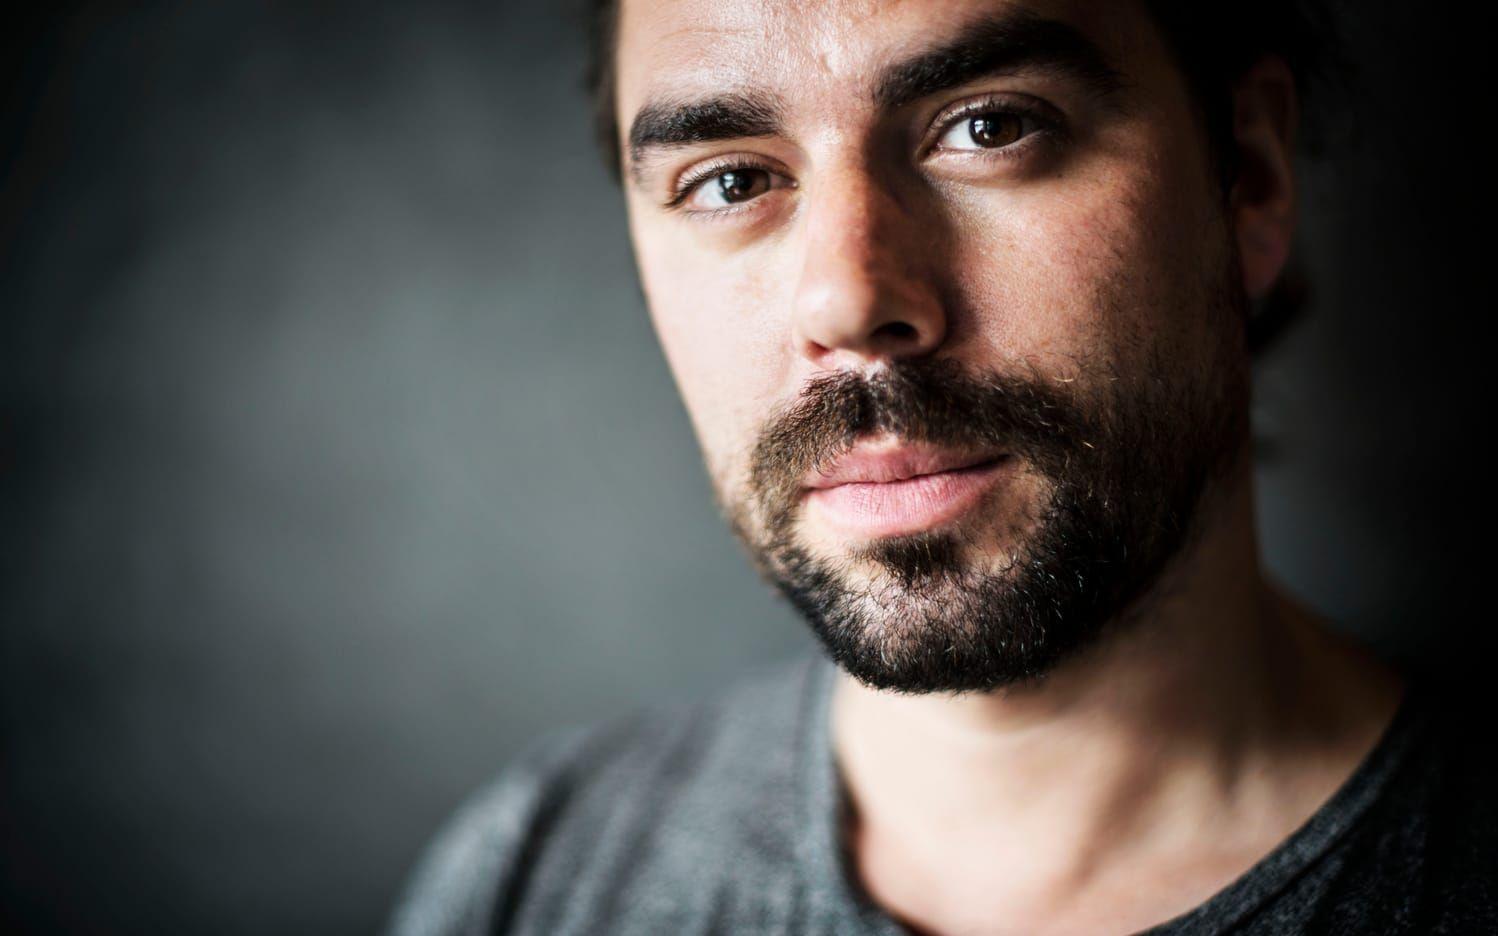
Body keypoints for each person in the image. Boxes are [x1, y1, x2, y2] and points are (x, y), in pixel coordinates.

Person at [389, 1, 1496, 933]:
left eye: (989, 125)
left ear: (1246, 176)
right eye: (728, 182)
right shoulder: (535, 877)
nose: (849, 300)